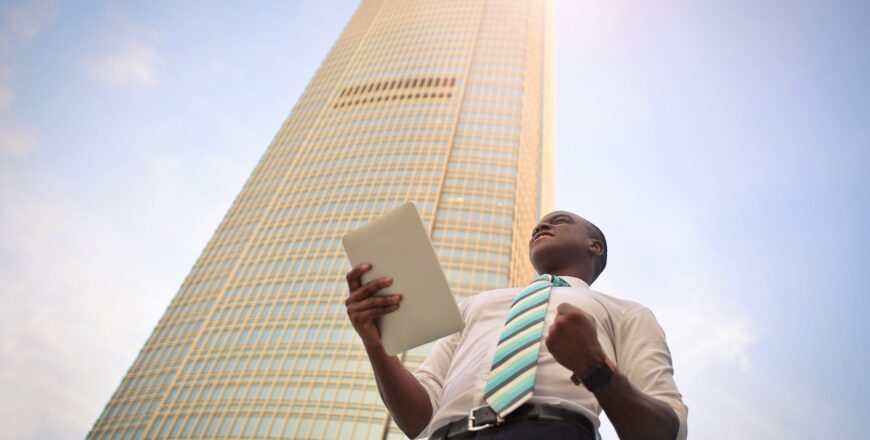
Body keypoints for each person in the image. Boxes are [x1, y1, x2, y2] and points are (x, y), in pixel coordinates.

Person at [344, 211, 687, 439]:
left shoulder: (627, 313)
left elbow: (665, 430)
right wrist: (377, 346)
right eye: (537, 226)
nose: (540, 226)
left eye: (559, 221)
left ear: (594, 246)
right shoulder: (475, 304)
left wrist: (596, 368)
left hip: (552, 432)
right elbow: (418, 418)